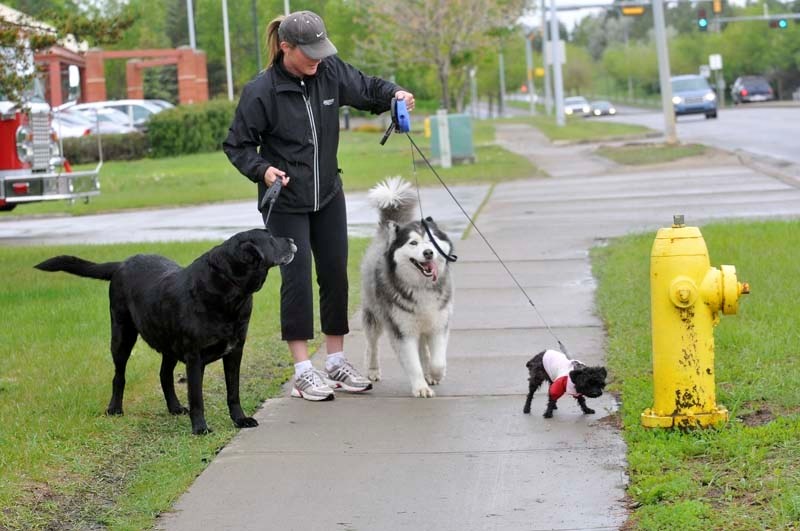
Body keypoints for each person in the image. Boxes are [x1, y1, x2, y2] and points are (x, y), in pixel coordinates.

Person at [223, 10, 415, 402]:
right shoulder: (261, 91)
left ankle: (336, 360)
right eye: (308, 52)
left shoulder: (329, 72)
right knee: (296, 281)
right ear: (285, 47)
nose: (316, 59)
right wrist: (262, 171)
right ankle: (302, 371)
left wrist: (395, 94)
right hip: (285, 200)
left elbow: (367, 88)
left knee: (334, 275)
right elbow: (238, 145)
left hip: (327, 193)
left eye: (320, 51)